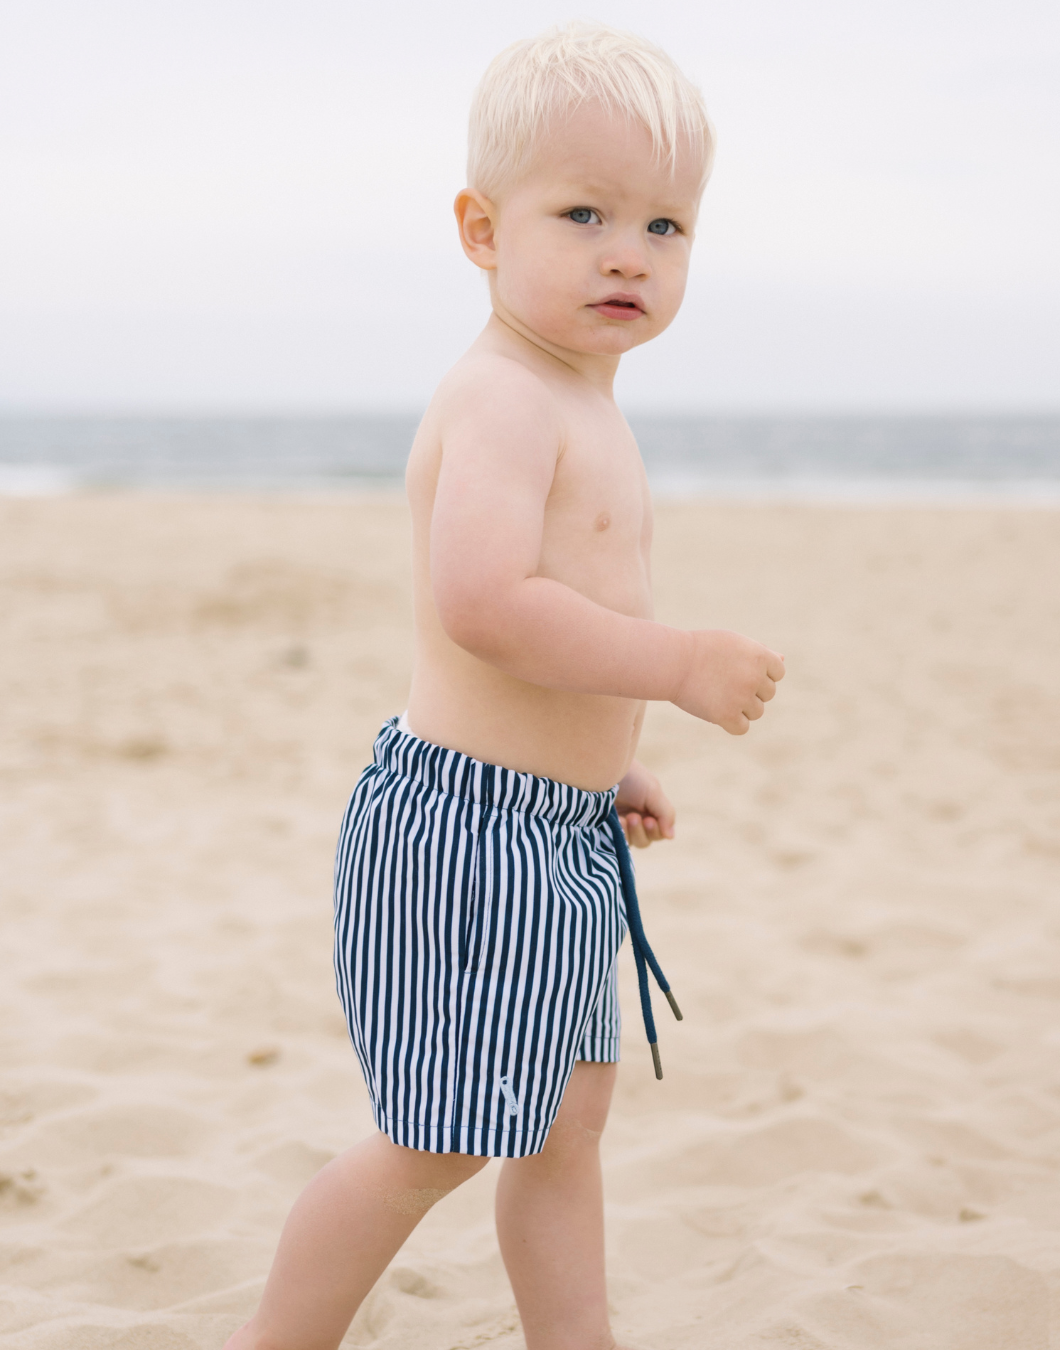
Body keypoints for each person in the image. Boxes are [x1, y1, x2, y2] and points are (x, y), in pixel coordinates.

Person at [226, 21, 784, 1350]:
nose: (624, 252)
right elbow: (485, 608)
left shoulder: (587, 397)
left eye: (664, 225)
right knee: (432, 1139)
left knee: (564, 1119)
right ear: (480, 230)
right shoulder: (502, 397)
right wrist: (679, 665)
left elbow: (563, 620)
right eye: (582, 212)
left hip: (554, 824)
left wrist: (610, 757)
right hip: (467, 834)